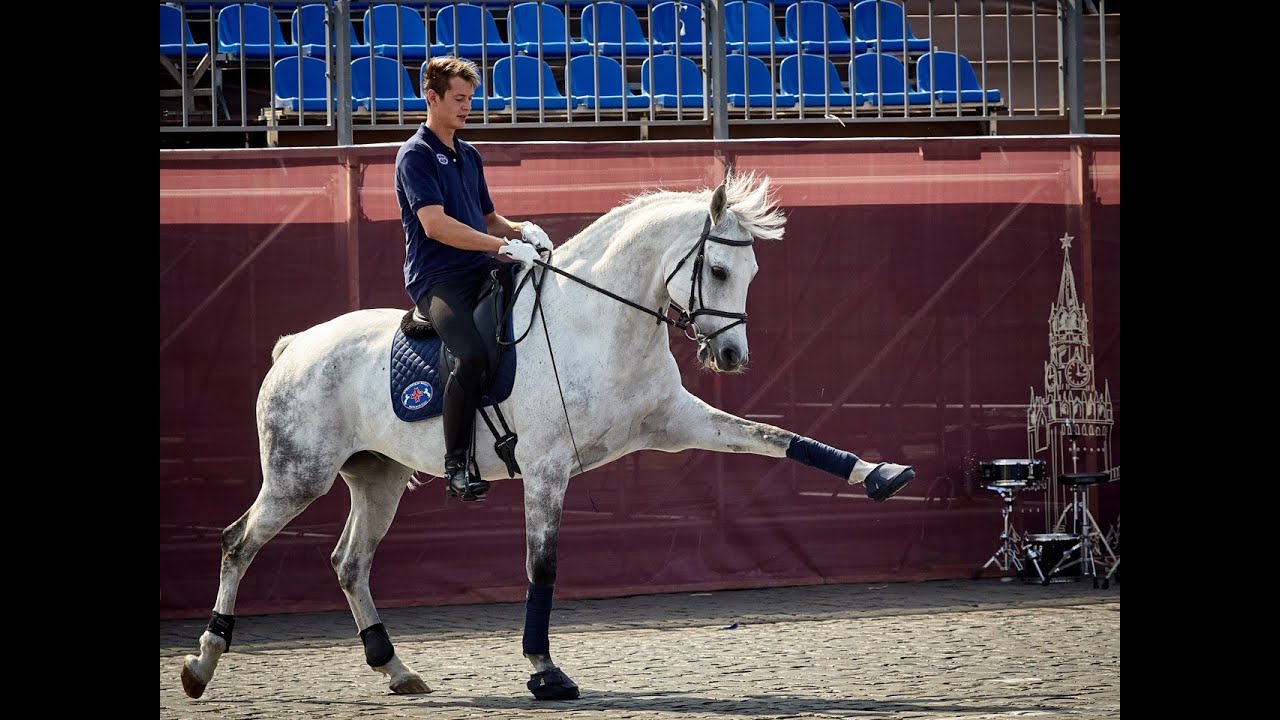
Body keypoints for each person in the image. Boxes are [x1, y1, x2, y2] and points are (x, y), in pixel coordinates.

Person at [395, 56, 552, 501]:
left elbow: (487, 218)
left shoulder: (469, 154)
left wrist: (522, 231)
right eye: (459, 99)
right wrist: (498, 246)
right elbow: (436, 225)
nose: (467, 107)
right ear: (433, 98)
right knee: (469, 356)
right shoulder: (416, 155)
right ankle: (456, 464)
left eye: (471, 99)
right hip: (439, 280)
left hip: (480, 270)